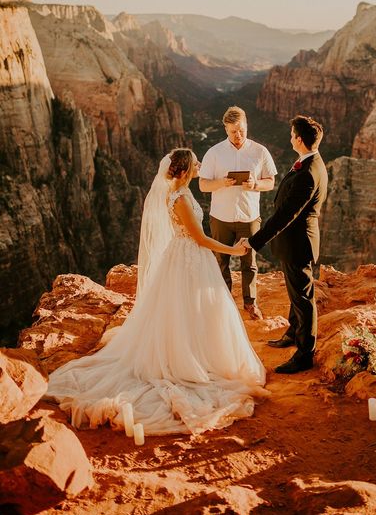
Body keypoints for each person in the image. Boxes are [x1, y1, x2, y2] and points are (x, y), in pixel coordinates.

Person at [45, 149, 267, 436]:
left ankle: (198, 353)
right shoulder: (182, 198)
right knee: (195, 308)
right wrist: (234, 250)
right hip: (190, 258)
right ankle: (190, 360)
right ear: (185, 170)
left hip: (184, 257)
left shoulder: (177, 192)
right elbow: (199, 238)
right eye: (196, 162)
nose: (201, 165)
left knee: (190, 309)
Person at [242, 115, 328, 374]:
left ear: (299, 140)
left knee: (303, 298)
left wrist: (255, 241)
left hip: (298, 243)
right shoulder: (312, 162)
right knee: (295, 293)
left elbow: (286, 214)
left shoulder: (308, 173)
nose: (290, 138)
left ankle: (304, 355)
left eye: (292, 135)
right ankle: (293, 332)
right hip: (297, 241)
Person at [199, 106, 277, 320]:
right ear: (225, 129)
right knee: (220, 261)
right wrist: (221, 183)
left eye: (241, 129)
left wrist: (255, 184)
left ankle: (250, 303)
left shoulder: (260, 152)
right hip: (220, 218)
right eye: (233, 131)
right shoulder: (214, 153)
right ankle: (222, 304)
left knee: (249, 262)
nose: (238, 135)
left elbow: (270, 182)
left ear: (246, 125)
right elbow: (203, 185)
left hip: (249, 216)